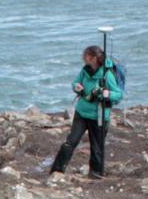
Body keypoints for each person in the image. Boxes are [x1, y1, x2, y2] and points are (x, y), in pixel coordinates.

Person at [48, 45, 122, 178]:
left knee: (97, 147)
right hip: (81, 113)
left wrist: (107, 94)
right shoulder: (85, 71)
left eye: (86, 55)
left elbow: (118, 94)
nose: (83, 57)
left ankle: (96, 174)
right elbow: (75, 83)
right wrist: (76, 87)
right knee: (70, 142)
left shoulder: (107, 75)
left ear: (94, 58)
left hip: (98, 116)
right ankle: (57, 170)